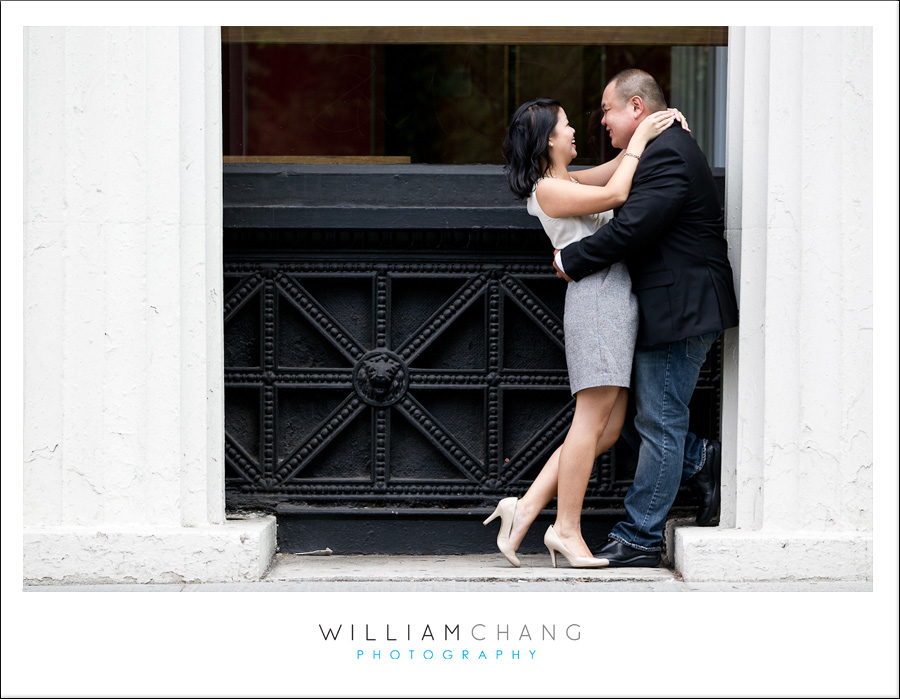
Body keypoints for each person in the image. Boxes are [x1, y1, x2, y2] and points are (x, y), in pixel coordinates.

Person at [483, 97, 684, 568]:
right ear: (548, 139)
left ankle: (526, 507)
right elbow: (617, 193)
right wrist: (638, 138)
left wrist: (656, 127)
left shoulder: (566, 181)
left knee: (608, 428)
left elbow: (618, 167)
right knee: (590, 421)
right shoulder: (548, 190)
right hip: (596, 301)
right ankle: (566, 529)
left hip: (612, 298)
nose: (576, 130)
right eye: (567, 124)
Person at [553, 68, 739, 567]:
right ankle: (700, 460)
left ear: (636, 108)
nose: (600, 122)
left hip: (682, 307)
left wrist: (571, 259)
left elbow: (634, 228)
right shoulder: (655, 150)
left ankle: (639, 536)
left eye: (607, 110)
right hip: (666, 305)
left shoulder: (669, 153)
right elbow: (587, 183)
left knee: (658, 422)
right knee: (636, 419)